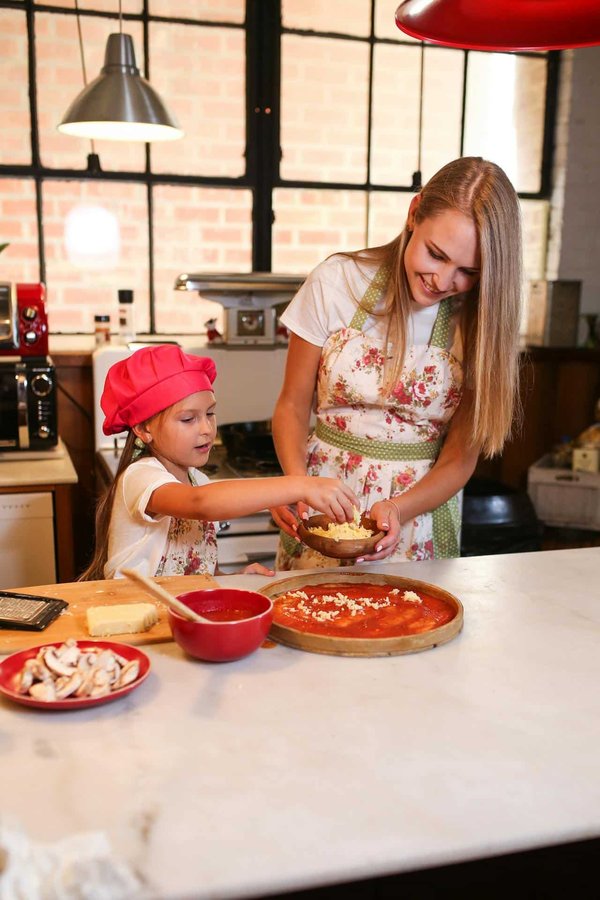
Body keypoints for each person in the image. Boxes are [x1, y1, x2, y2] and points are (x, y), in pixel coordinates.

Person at [271, 156, 523, 569]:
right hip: (319, 507)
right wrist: (296, 485)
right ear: (413, 214)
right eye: (436, 254)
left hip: (416, 517)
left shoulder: (483, 321)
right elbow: (291, 406)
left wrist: (399, 509)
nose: (443, 281)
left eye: (469, 271)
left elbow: (460, 457)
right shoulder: (337, 281)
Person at [80, 344, 358, 580]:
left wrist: (232, 579)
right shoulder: (141, 476)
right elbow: (202, 503)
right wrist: (300, 486)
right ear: (143, 429)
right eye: (188, 419)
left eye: (210, 414)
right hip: (134, 614)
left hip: (176, 617)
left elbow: (198, 571)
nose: (206, 429)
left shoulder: (196, 480)